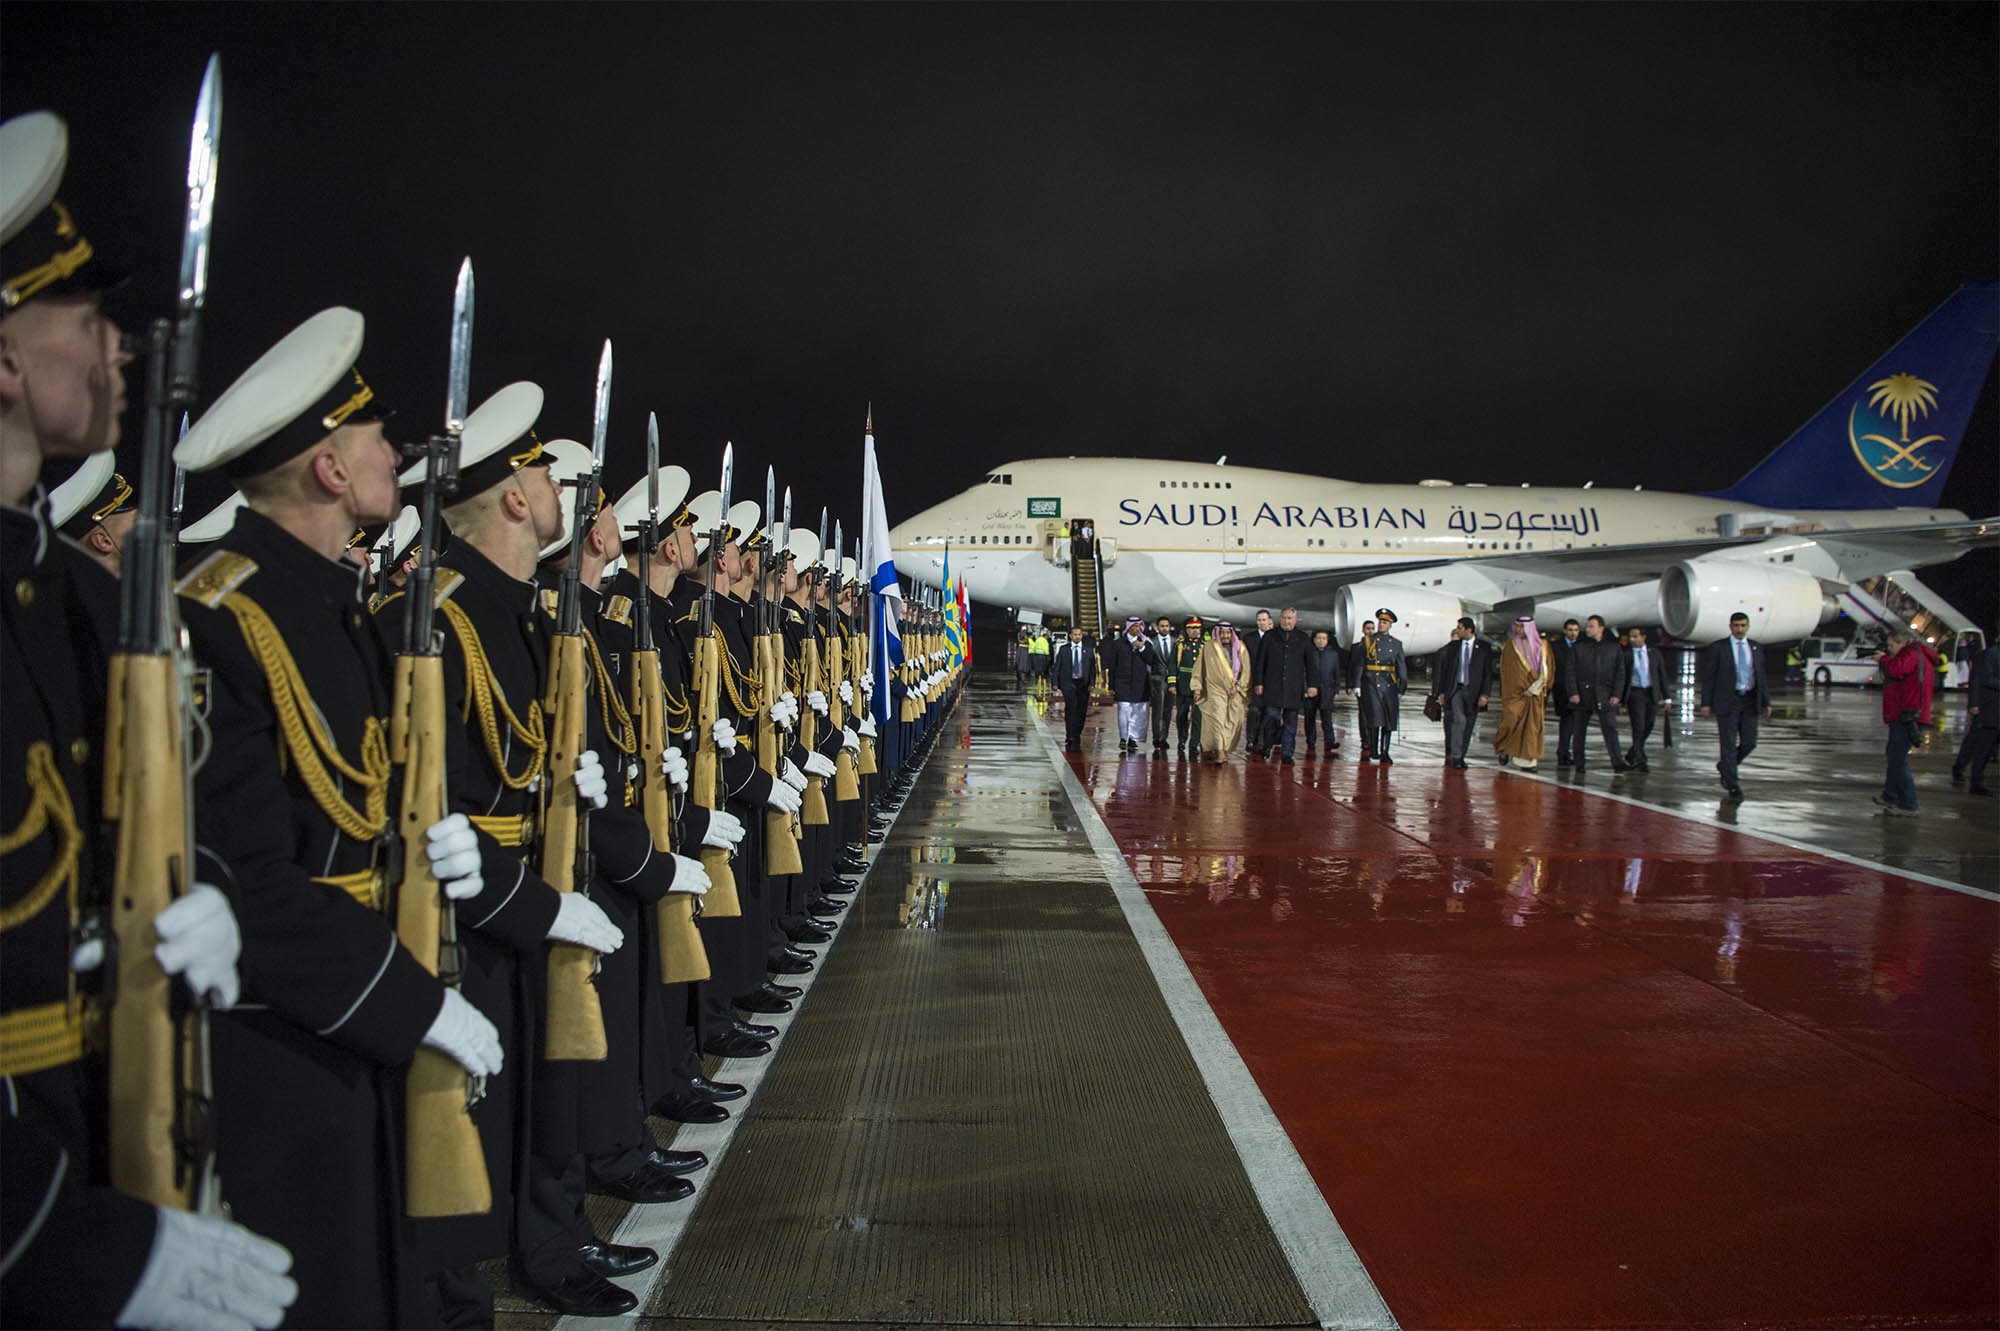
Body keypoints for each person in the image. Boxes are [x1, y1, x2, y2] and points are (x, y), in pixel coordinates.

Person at [1697, 611, 1772, 801]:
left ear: (1748, 626)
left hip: (1749, 699)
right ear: (1730, 627)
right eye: (1736, 626)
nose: (1740, 629)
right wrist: (1706, 703)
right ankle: (1732, 784)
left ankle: (1726, 766)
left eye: (1743, 626)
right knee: (1728, 744)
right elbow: (1709, 678)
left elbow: (1761, 676)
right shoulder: (1718, 648)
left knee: (1749, 742)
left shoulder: (1755, 647)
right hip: (1727, 700)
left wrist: (1766, 701)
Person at [1873, 631, 1939, 817]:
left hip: (1908, 716)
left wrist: (1884, 660)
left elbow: (1897, 669)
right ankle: (1891, 796)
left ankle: (1909, 804)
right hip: (1906, 714)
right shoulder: (1916, 654)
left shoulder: (1911, 654)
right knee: (1895, 757)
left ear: (1902, 643)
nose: (1889, 649)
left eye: (1891, 645)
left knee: (1898, 759)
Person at [1568, 614, 1630, 774]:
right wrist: (1573, 692)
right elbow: (1570, 672)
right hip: (1583, 695)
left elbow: (1620, 673)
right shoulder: (1579, 647)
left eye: (1591, 626)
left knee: (1610, 729)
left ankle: (1617, 762)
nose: (1588, 629)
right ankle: (1579, 763)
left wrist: (1617, 694)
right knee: (1579, 731)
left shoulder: (1613, 648)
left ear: (1601, 628)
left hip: (1605, 695)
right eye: (1587, 626)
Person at [1429, 616, 1492, 768]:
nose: (1458, 630)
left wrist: (1485, 694)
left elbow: (1487, 674)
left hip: (1474, 692)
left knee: (1469, 724)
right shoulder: (1453, 647)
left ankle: (1461, 755)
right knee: (1459, 721)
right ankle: (1456, 756)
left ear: (1469, 630)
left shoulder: (1483, 648)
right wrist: (1442, 692)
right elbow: (1445, 670)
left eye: (1460, 628)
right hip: (1456, 689)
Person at [1251, 606, 1312, 763]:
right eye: (1284, 618)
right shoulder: (1270, 636)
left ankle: (1287, 753)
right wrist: (1258, 682)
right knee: (1271, 718)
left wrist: (1312, 685)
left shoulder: (1303, 638)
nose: (1287, 621)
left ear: (1295, 620)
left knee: (1291, 723)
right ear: (1280, 619)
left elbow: (1311, 664)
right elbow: (1260, 662)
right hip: (1273, 687)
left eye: (1290, 618)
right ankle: (1267, 745)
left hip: (1293, 688)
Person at [1493, 615, 1552, 769]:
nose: (1518, 630)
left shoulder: (1542, 646)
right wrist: (1519, 688)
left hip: (1534, 694)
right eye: (1517, 627)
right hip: (1515, 695)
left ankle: (1528, 761)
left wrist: (1534, 689)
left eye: (1521, 627)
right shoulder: (1510, 646)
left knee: (1531, 728)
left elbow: (1547, 670)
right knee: (1510, 722)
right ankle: (1504, 748)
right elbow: (1507, 672)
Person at [1352, 607, 1408, 763]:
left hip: (1389, 683)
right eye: (1380, 622)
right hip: (1371, 682)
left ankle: (1385, 751)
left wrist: (1402, 685)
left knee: (1389, 718)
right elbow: (1360, 664)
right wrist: (1357, 684)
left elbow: (1401, 665)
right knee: (1375, 717)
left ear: (1390, 625)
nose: (1381, 625)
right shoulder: (1368, 640)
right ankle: (1374, 749)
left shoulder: (1396, 644)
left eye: (1385, 623)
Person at [1191, 620, 1250, 761]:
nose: (1225, 636)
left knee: (1234, 721)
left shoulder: (1240, 647)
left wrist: (1239, 687)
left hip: (1236, 690)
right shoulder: (1209, 646)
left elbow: (1246, 670)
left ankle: (1224, 747)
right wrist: (1197, 687)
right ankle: (1219, 751)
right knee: (1217, 719)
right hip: (1215, 689)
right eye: (1222, 633)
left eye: (1227, 633)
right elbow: (1199, 667)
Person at [1613, 625, 1668, 770]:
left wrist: (1666, 697)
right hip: (1635, 694)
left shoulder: (1654, 653)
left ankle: (1633, 752)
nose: (1632, 639)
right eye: (1630, 636)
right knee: (1638, 726)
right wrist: (1620, 699)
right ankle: (1640, 759)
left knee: (1649, 725)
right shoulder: (1626, 655)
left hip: (1651, 693)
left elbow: (1662, 675)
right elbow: (1621, 678)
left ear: (1643, 637)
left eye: (1635, 636)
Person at [1103, 615, 1159, 754]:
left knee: (1138, 712)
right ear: (1128, 627)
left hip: (1140, 684)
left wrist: (1141, 648)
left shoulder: (1146, 643)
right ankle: (1123, 737)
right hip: (1122, 682)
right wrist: (1111, 685)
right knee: (1123, 710)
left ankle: (1133, 738)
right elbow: (1113, 665)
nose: (1136, 629)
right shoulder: (1118, 644)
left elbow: (1151, 660)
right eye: (1133, 627)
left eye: (1138, 626)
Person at [1954, 638, 1998, 796]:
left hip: (1991, 710)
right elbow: (1979, 680)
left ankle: (1965, 770)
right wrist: (1974, 704)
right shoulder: (1990, 654)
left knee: (1982, 744)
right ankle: (1972, 778)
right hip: (1989, 710)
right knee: (1980, 745)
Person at [1052, 623, 1095, 749]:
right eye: (1075, 634)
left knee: (1081, 710)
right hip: (1068, 682)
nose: (1077, 637)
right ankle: (1070, 734)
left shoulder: (1088, 649)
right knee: (1071, 708)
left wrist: (1092, 683)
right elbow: (1057, 666)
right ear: (1070, 636)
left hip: (1083, 683)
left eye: (1079, 634)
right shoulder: (1064, 649)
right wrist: (1055, 682)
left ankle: (1077, 733)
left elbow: (1092, 669)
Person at [1303, 628, 1344, 757]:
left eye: (1324, 638)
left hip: (1327, 690)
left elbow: (1336, 673)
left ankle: (1329, 741)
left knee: (1327, 717)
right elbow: (1303, 672)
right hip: (1311, 690)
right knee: (1310, 717)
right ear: (1314, 640)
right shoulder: (1308, 653)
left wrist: (1336, 689)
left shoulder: (1333, 654)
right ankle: (1311, 741)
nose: (1321, 641)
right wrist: (1305, 689)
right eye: (1318, 638)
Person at [1168, 616, 1205, 756]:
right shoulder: (1180, 645)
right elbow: (1172, 664)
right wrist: (1172, 683)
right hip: (1183, 685)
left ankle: (1194, 743)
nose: (1195, 631)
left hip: (1199, 687)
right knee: (1181, 715)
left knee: (1197, 717)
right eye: (1192, 628)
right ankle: (1182, 739)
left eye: (1197, 628)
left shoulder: (1204, 646)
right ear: (1187, 630)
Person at [1550, 618, 1583, 766]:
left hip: (1579, 690)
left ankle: (1567, 752)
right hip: (1562, 690)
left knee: (1575, 724)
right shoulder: (1556, 647)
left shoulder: (1583, 646)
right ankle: (1563, 752)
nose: (1573, 633)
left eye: (1576, 630)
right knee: (1566, 722)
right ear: (1564, 631)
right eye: (1570, 630)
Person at [1242, 609, 1274, 757]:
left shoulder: (1276, 638)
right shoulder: (1249, 639)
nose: (1262, 622)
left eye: (1264, 620)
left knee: (1268, 714)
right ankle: (1250, 740)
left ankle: (1262, 742)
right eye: (1259, 620)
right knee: (1254, 711)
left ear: (1270, 621)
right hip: (1254, 682)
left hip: (1272, 684)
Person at [1149, 615, 1176, 755]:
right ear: (1157, 627)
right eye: (1162, 626)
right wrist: (1150, 682)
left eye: (1166, 626)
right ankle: (1156, 737)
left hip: (1171, 680)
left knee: (1168, 710)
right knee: (1157, 711)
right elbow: (1149, 664)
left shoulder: (1175, 642)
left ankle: (1164, 737)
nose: (1164, 628)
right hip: (1157, 679)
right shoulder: (1152, 642)